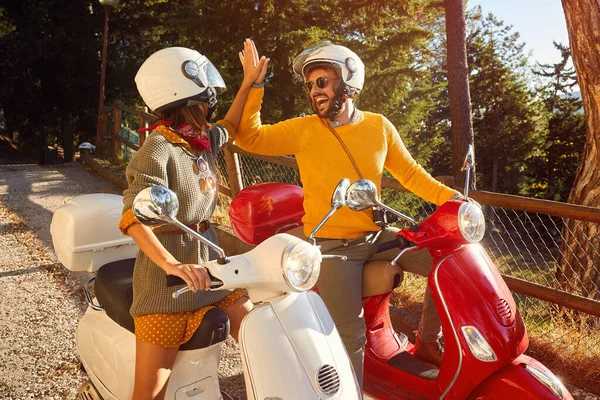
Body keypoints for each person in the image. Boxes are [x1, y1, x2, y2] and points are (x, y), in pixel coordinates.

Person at [235, 41, 462, 387]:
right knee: (350, 335)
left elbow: (412, 175)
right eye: (310, 85)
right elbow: (249, 137)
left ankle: (427, 341)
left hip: (376, 236)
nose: (315, 91)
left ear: (348, 82)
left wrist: (454, 200)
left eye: (322, 81)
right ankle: (350, 393)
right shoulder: (303, 129)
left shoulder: (379, 127)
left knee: (450, 262)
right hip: (332, 245)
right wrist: (254, 85)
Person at [118, 40, 268, 400]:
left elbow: (231, 124)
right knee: (149, 395)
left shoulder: (200, 140)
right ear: (184, 96)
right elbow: (132, 218)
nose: (211, 99)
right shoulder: (157, 149)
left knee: (264, 336)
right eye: (206, 93)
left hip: (212, 270)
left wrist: (250, 82)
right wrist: (174, 266)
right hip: (166, 286)